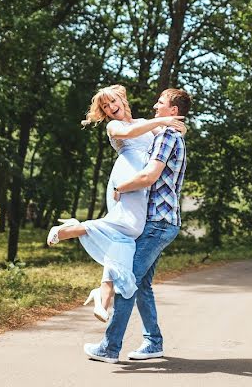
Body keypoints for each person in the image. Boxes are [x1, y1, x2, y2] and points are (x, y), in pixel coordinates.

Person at [46, 85, 185, 323]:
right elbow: (131, 134)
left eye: (112, 102)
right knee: (126, 228)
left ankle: (103, 294)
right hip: (125, 179)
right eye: (105, 107)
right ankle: (68, 229)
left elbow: (167, 139)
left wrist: (175, 125)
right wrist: (163, 122)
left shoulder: (143, 122)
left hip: (139, 186)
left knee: (126, 238)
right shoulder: (114, 126)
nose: (111, 108)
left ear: (122, 98)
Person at [83, 87, 191, 364]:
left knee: (126, 281)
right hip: (152, 219)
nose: (156, 106)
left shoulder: (165, 134)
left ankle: (109, 347)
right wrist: (168, 124)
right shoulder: (154, 129)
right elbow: (134, 135)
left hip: (157, 221)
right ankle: (153, 342)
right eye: (105, 106)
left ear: (173, 110)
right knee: (141, 284)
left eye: (161, 103)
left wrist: (122, 186)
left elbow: (149, 176)